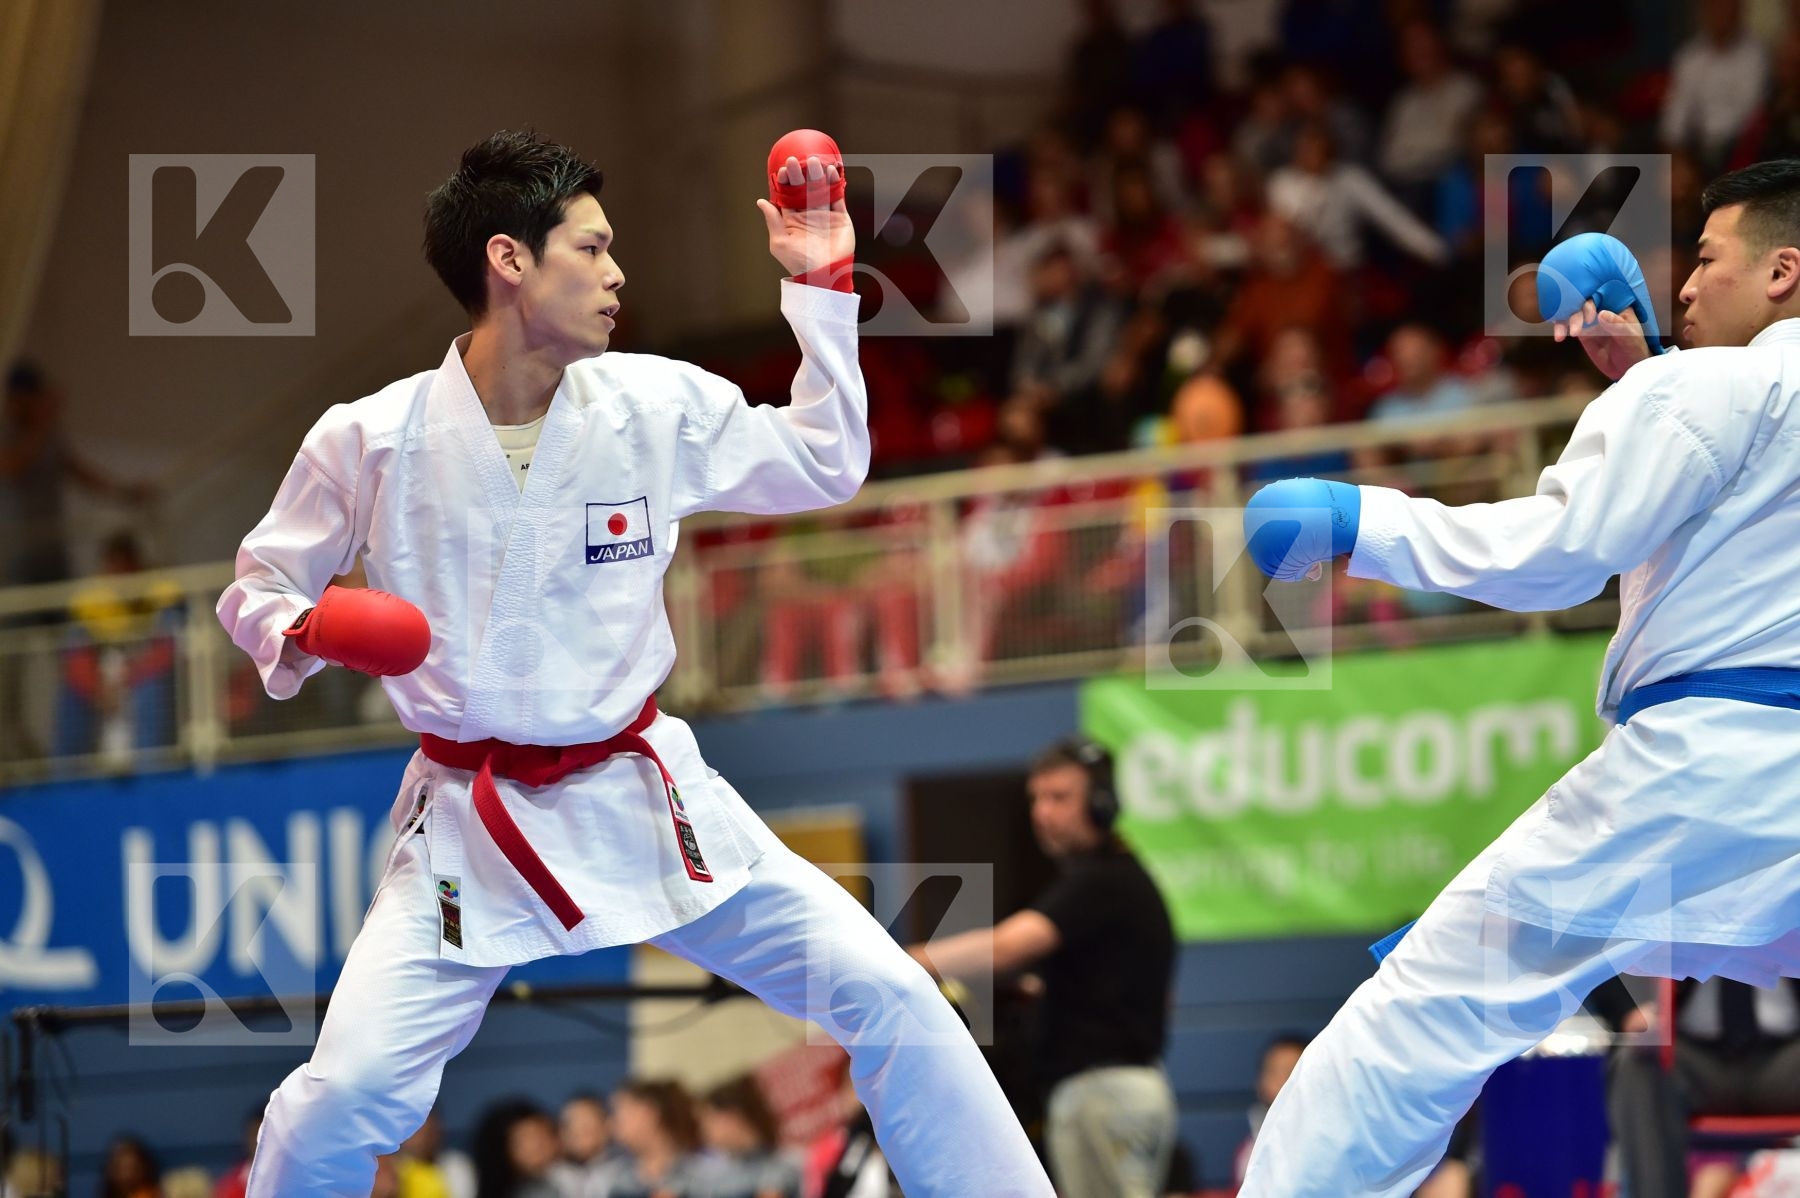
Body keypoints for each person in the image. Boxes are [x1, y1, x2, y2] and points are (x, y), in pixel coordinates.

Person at [218, 131, 1049, 1197]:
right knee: (342, 1098)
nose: (618, 275)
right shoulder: (370, 438)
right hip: (471, 818)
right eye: (593, 248)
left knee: (894, 996)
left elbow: (825, 461)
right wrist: (311, 628)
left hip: (643, 793)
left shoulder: (650, 405)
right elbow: (258, 587)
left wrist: (822, 288)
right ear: (510, 260)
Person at [1236, 158, 1800, 1195]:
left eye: (1706, 258)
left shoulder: (1711, 388)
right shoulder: (1710, 390)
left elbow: (1559, 553)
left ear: (1782, 271)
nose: (1683, 285)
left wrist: (1364, 521)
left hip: (1700, 770)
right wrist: (1647, 375)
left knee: (1430, 1004)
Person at [906, 739, 1178, 1198]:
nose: (1042, 813)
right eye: (1036, 799)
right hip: (1111, 1092)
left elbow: (1004, 948)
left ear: (1101, 804)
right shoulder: (1111, 882)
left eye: (1059, 797)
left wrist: (904, 961)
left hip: (1102, 1094)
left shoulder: (1103, 881)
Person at [1594, 975, 1800, 1198]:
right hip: (1694, 1059)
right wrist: (1629, 1012)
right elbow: (1599, 956)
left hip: (1787, 1057)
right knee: (1638, 1063)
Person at [694, 1075, 803, 1198]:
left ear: (733, 1116)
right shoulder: (718, 1174)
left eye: (707, 1120)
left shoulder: (783, 1165)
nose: (703, 1132)